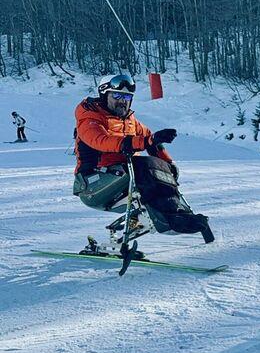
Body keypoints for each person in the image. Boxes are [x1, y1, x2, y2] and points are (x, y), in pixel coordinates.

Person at [74, 73, 213, 243]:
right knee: (144, 165)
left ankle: (179, 214)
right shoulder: (90, 119)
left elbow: (151, 141)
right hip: (92, 184)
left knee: (157, 166)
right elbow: (102, 141)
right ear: (104, 95)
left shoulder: (130, 120)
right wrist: (145, 141)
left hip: (124, 176)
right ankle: (167, 219)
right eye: (117, 95)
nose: (122, 101)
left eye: (127, 97)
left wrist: (169, 164)